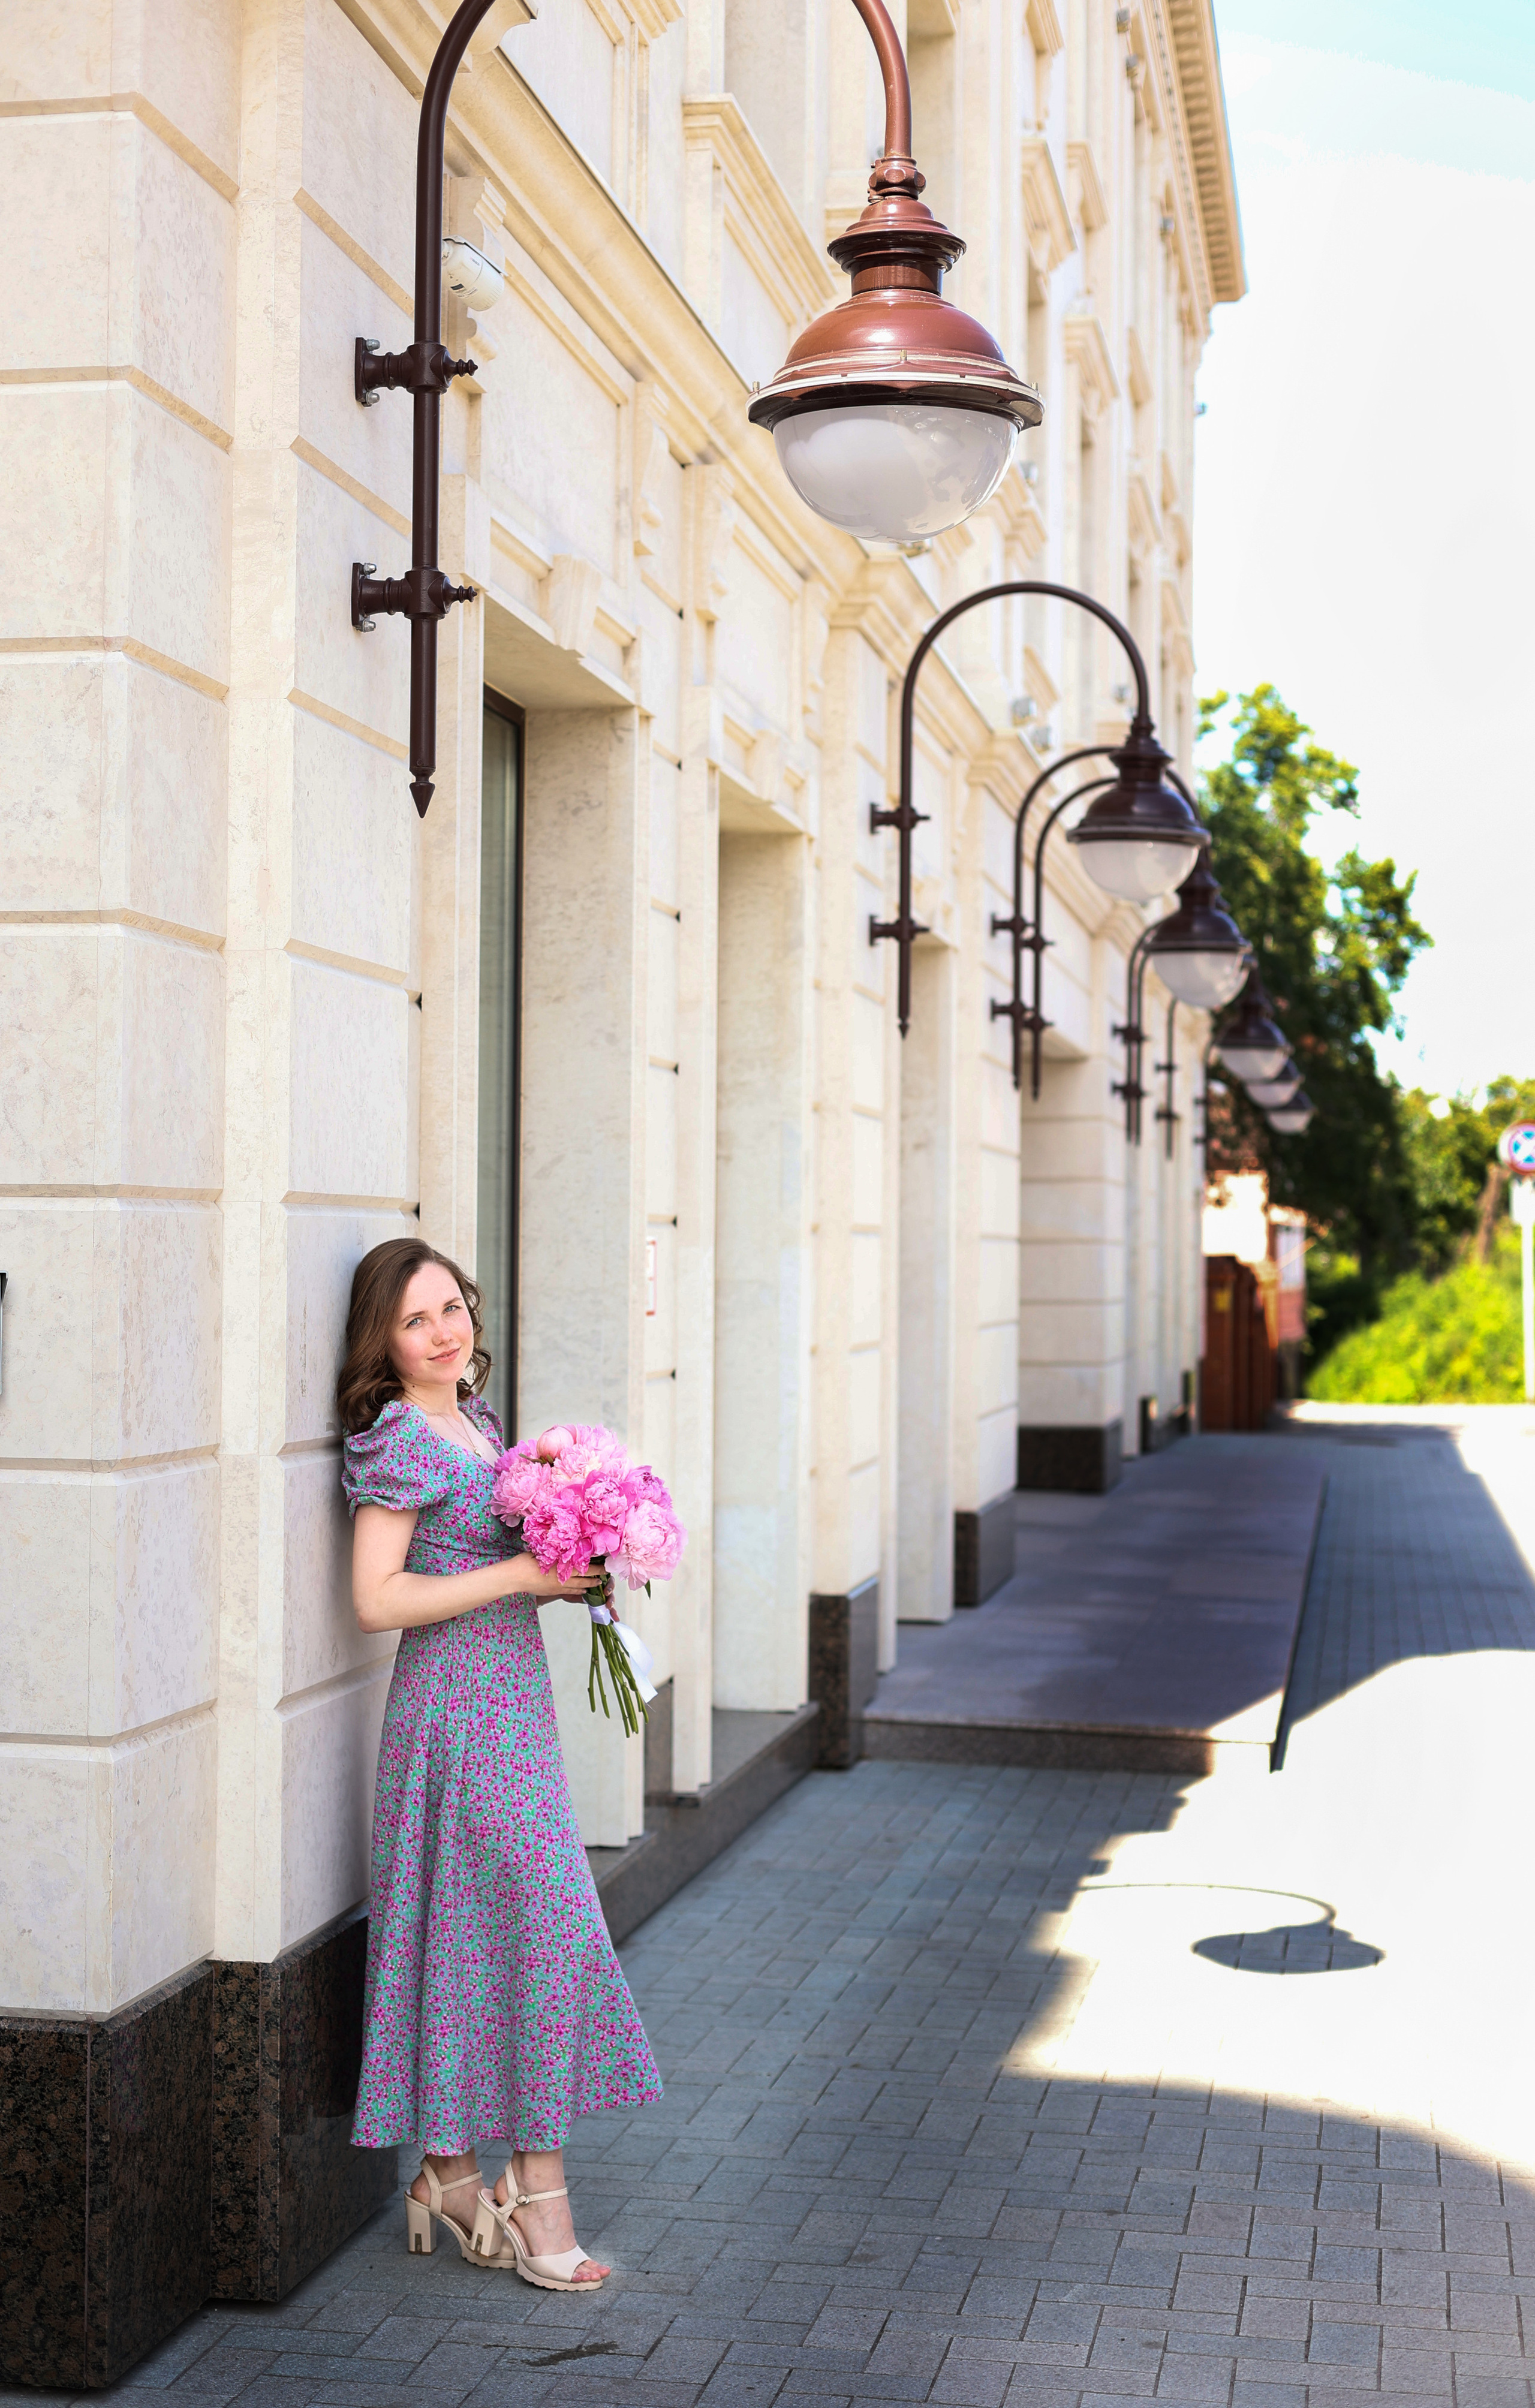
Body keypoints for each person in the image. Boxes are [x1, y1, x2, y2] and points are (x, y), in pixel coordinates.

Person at [336, 1236, 661, 2290]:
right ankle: (535, 2191)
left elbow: (509, 1561)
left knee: (486, 1936)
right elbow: (377, 1600)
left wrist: (576, 1561)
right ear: (383, 1342)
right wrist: (524, 1570)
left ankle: (447, 2171)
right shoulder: (399, 1441)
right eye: (415, 1320)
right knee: (537, 1929)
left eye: (451, 1309)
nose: (443, 1332)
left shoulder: (476, 1427)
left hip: (513, 1711)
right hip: (454, 1715)